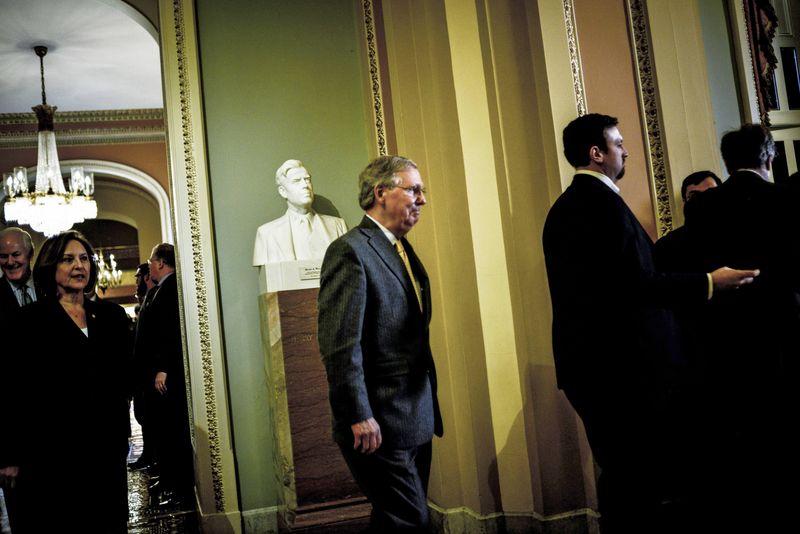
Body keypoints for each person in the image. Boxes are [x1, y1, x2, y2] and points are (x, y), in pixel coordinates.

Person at [541, 114, 758, 532]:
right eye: (618, 142)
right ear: (596, 152)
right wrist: (712, 282)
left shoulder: (567, 208)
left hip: (595, 368)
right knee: (635, 483)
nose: (626, 150)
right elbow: (638, 284)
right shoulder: (598, 205)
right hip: (618, 371)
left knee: (627, 478)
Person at [680, 123, 800, 531]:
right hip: (784, 338)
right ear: (769, 156)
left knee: (736, 451)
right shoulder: (787, 200)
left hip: (722, 346)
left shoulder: (701, 208)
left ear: (727, 163)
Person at [318, 155, 443, 532]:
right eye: (414, 190)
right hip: (378, 421)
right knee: (410, 520)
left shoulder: (401, 249)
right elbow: (341, 344)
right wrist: (357, 413)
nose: (422, 199)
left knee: (395, 519)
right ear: (381, 193)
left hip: (414, 415)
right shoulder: (350, 251)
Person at [0, 230, 132, 533]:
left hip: (105, 453)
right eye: (68, 259)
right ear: (50, 266)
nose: (79, 266)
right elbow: (11, 391)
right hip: (52, 456)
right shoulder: (28, 322)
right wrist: (8, 454)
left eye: (84, 259)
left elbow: (123, 378)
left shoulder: (110, 316)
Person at [133, 243, 194, 508]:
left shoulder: (170, 290)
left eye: (150, 260)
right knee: (163, 430)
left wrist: (163, 368)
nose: (149, 266)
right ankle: (169, 479)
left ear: (160, 263)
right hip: (154, 374)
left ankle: (178, 486)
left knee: (173, 432)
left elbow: (170, 332)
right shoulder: (158, 290)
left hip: (165, 375)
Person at [0, 228, 41, 534]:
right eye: (4, 256)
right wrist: (6, 456)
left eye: (16, 255)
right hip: (16, 438)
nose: (10, 261)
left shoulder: (53, 289)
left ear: (30, 255)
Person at [252, 159, 347, 265]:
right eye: (296, 181)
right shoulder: (267, 234)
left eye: (307, 179)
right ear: (283, 191)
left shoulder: (338, 226)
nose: (305, 185)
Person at [653, 170, 721, 273]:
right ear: (684, 202)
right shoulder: (666, 247)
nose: (704, 200)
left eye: (711, 193)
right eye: (694, 196)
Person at [128, 262, 158, 471]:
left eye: (138, 276)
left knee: (151, 419)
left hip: (151, 372)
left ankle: (153, 458)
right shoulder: (146, 298)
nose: (136, 281)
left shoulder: (155, 297)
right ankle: (150, 455)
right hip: (141, 374)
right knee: (143, 416)